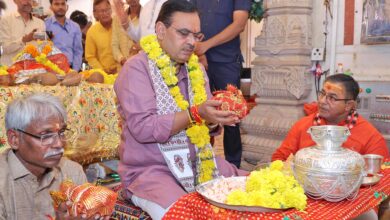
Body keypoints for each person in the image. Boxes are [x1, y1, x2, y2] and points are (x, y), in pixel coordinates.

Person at [114, 1, 247, 219]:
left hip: (198, 164)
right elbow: (144, 128)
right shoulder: (137, 69)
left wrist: (214, 119)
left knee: (252, 188)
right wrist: (196, 114)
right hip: (151, 172)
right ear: (160, 30)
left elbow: (207, 126)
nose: (191, 42)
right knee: (184, 215)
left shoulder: (196, 70)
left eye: (196, 36)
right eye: (184, 33)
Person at [0, 93, 88, 219]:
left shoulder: (72, 172)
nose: (59, 144)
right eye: (45, 135)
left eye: (61, 132)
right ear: (15, 139)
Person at [189, 0, 251, 168]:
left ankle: (233, 166)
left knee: (231, 117)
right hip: (198, 60)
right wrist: (199, 52)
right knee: (199, 113)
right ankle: (202, 164)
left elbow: (239, 24)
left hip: (227, 62)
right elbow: (188, 19)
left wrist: (206, 46)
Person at [272, 74, 389, 161]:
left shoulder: (370, 137)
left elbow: (381, 175)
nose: (322, 101)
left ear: (349, 105)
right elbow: (279, 158)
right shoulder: (302, 126)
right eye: (322, 94)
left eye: (332, 98)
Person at [0, 0, 46, 66]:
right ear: (15, 1)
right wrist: (23, 40)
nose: (28, 2)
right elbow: (5, 48)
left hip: (33, 70)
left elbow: (43, 48)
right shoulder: (5, 20)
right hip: (10, 70)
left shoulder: (40, 23)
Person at [45, 0, 83, 71]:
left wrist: (75, 70)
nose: (60, 7)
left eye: (63, 4)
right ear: (51, 7)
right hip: (50, 69)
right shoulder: (45, 25)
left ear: (67, 7)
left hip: (70, 68)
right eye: (56, 4)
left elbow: (78, 51)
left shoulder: (75, 27)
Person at [85, 0, 119, 74]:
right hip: (102, 75)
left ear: (112, 10)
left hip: (122, 70)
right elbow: (90, 57)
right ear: (95, 13)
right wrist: (102, 70)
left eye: (107, 10)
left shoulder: (120, 26)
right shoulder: (91, 31)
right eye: (101, 11)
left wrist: (119, 66)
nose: (105, 13)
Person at [111, 0, 141, 67]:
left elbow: (151, 42)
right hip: (122, 67)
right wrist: (121, 59)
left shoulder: (147, 16)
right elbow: (114, 45)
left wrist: (139, 46)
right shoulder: (117, 18)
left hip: (140, 65)